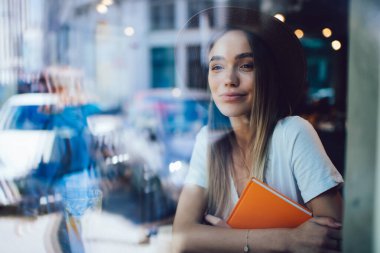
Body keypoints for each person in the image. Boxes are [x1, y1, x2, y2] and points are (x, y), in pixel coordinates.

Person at [172, 7, 343, 253]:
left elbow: (335, 239)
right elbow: (182, 237)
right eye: (217, 67)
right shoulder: (207, 141)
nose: (229, 79)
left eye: (246, 65)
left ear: (267, 75)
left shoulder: (293, 133)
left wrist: (225, 240)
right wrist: (287, 240)